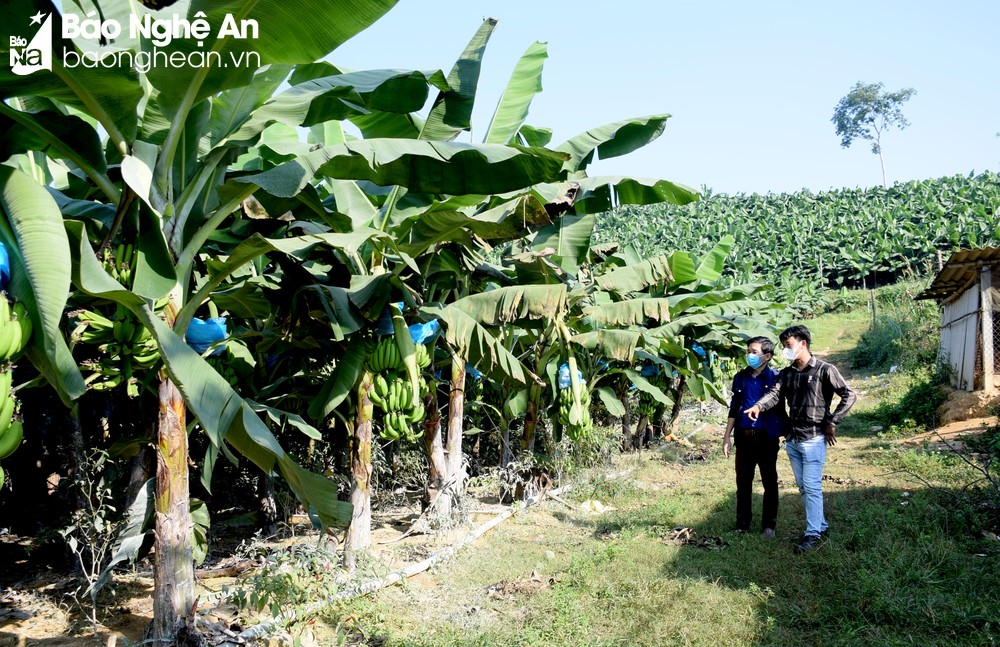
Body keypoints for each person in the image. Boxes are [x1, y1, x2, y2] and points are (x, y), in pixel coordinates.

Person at [744, 325, 857, 554]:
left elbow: (849, 394)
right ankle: (820, 526)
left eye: (788, 346)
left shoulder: (825, 370)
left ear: (802, 343)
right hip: (793, 439)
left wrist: (833, 422)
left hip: (814, 438)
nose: (786, 350)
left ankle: (813, 534)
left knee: (812, 487)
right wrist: (757, 405)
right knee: (804, 487)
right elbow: (774, 395)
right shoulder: (787, 374)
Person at [723, 336, 786, 538]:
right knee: (743, 482)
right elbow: (734, 407)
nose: (749, 355)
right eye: (748, 351)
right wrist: (727, 436)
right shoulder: (741, 377)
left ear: (767, 356)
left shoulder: (776, 378)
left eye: (754, 352)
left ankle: (769, 525)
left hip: (766, 438)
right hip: (744, 437)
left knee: (769, 481)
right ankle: (742, 524)